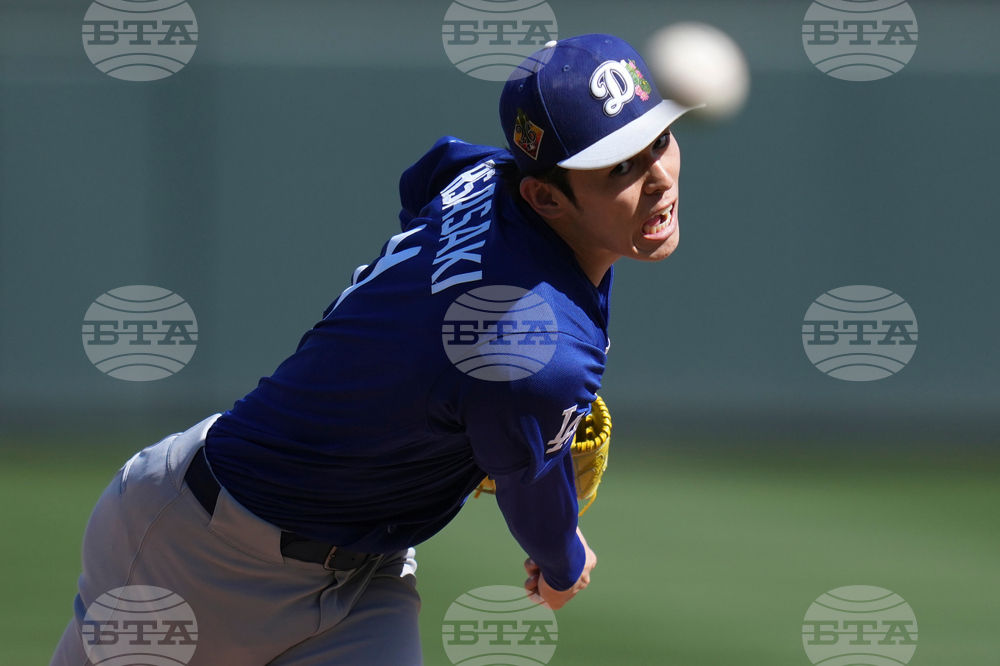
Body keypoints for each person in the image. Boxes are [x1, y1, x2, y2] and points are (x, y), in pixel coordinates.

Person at [52, 33, 697, 665]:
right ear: (545, 197)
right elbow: (534, 501)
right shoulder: (533, 349)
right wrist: (562, 564)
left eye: (660, 141)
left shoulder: (484, 177)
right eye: (620, 166)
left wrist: (433, 381)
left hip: (369, 581)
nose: (658, 178)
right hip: (200, 548)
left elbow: (428, 174)